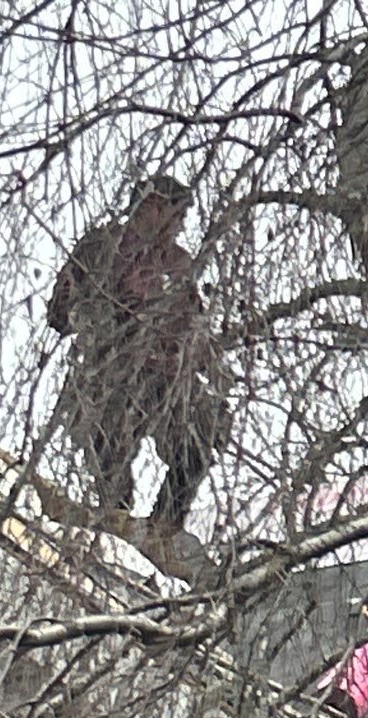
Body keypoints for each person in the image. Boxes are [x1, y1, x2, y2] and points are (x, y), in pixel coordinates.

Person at [48, 175, 230, 527]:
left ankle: (164, 528)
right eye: (177, 214)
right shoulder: (104, 246)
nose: (181, 225)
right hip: (112, 373)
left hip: (165, 378)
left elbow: (194, 326)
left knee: (204, 429)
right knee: (110, 457)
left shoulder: (178, 263)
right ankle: (115, 522)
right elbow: (60, 314)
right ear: (153, 206)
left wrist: (216, 368)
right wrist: (89, 306)